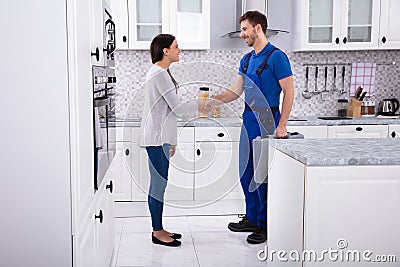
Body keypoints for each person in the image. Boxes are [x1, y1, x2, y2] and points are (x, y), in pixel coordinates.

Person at [204, 11, 294, 244]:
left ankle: (265, 225)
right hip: (248, 119)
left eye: (245, 29)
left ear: (258, 28)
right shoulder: (246, 59)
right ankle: (252, 218)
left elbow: (289, 92)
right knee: (246, 173)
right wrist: (213, 100)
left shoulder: (277, 57)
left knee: (262, 175)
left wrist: (282, 124)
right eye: (242, 29)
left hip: (268, 120)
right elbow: (236, 91)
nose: (242, 34)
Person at [139, 34, 197, 247]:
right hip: (155, 138)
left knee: (160, 183)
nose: (179, 50)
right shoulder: (159, 74)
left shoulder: (161, 72)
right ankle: (157, 232)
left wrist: (171, 141)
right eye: (176, 47)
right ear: (165, 50)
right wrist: (205, 104)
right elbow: (178, 109)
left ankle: (160, 228)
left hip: (160, 137)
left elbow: (166, 112)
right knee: (158, 185)